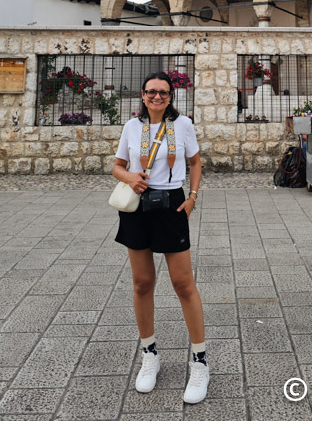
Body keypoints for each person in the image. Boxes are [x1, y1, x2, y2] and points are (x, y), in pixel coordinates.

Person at [112, 71, 209, 404]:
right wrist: (131, 177)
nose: (157, 97)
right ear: (142, 95)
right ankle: (149, 354)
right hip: (137, 206)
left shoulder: (182, 125)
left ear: (171, 96)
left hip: (171, 204)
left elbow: (195, 162)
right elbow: (117, 166)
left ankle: (200, 361)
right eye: (151, 92)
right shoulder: (131, 127)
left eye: (163, 93)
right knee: (142, 283)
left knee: (183, 284)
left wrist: (193, 196)